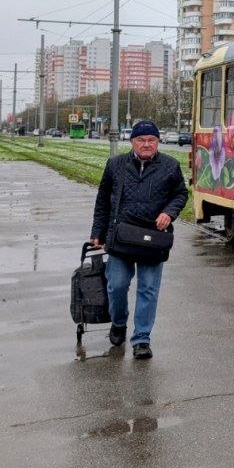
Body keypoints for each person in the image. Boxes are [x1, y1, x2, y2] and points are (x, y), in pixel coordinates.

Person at [90, 120, 188, 360]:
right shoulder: (115, 165)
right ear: (132, 141)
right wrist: (98, 232)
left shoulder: (171, 166)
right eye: (141, 140)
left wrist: (169, 212)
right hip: (121, 237)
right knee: (117, 285)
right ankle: (119, 322)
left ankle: (142, 338)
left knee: (148, 289)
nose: (147, 144)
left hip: (153, 238)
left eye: (152, 140)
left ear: (158, 141)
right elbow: (103, 200)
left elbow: (181, 194)